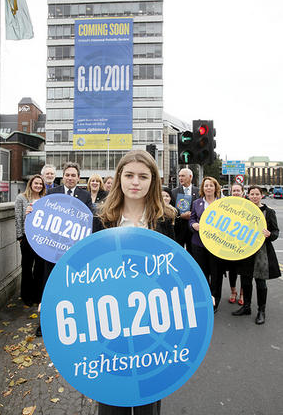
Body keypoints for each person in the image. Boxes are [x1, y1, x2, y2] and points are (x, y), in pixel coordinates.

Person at [93, 150, 175, 415]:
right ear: (119, 178)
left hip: (152, 323)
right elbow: (87, 271)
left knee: (147, 401)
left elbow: (175, 269)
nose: (135, 182)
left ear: (153, 181)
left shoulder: (166, 220)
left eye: (143, 176)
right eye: (129, 175)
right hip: (109, 323)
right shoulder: (102, 220)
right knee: (111, 400)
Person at [36, 162, 94, 337]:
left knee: (73, 286)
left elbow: (90, 219)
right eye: (67, 175)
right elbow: (43, 213)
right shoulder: (52, 193)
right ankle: (44, 324)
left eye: (73, 175)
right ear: (63, 176)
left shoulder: (85, 195)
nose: (70, 178)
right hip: (53, 249)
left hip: (75, 250)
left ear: (78, 177)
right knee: (49, 285)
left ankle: (73, 323)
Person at [232, 185, 281, 324]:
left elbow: (276, 232)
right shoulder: (244, 210)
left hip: (262, 252)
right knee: (245, 281)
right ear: (247, 195)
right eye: (251, 194)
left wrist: (270, 234)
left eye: (256, 194)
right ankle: (246, 307)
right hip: (246, 250)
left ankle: (261, 311)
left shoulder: (269, 212)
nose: (254, 196)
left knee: (261, 282)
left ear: (261, 195)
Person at [189, 176, 223, 312]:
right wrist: (193, 225)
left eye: (211, 185)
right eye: (206, 185)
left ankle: (215, 300)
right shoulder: (197, 203)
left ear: (216, 188)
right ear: (203, 188)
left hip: (217, 245)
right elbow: (191, 220)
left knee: (216, 274)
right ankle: (205, 298)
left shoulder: (223, 203)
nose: (208, 188)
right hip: (199, 244)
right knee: (202, 273)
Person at [15, 174, 46, 306]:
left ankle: (37, 296)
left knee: (39, 268)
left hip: (41, 239)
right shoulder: (21, 198)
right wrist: (20, 237)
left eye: (40, 184)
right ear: (30, 184)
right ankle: (26, 296)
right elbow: (18, 218)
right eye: (36, 183)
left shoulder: (45, 199)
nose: (38, 186)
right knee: (27, 267)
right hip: (27, 238)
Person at [171, 168, 199, 254]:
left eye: (183, 176)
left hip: (193, 230)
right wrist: (180, 215)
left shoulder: (199, 192)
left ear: (190, 177)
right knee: (178, 254)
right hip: (179, 229)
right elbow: (170, 210)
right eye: (179, 176)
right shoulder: (174, 192)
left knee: (193, 254)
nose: (180, 178)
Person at [227, 183, 244, 305]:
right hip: (230, 245)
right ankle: (233, 292)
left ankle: (242, 294)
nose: (236, 193)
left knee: (244, 271)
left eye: (238, 190)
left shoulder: (249, 206)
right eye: (234, 191)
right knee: (232, 270)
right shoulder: (227, 206)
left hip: (245, 246)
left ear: (243, 192)